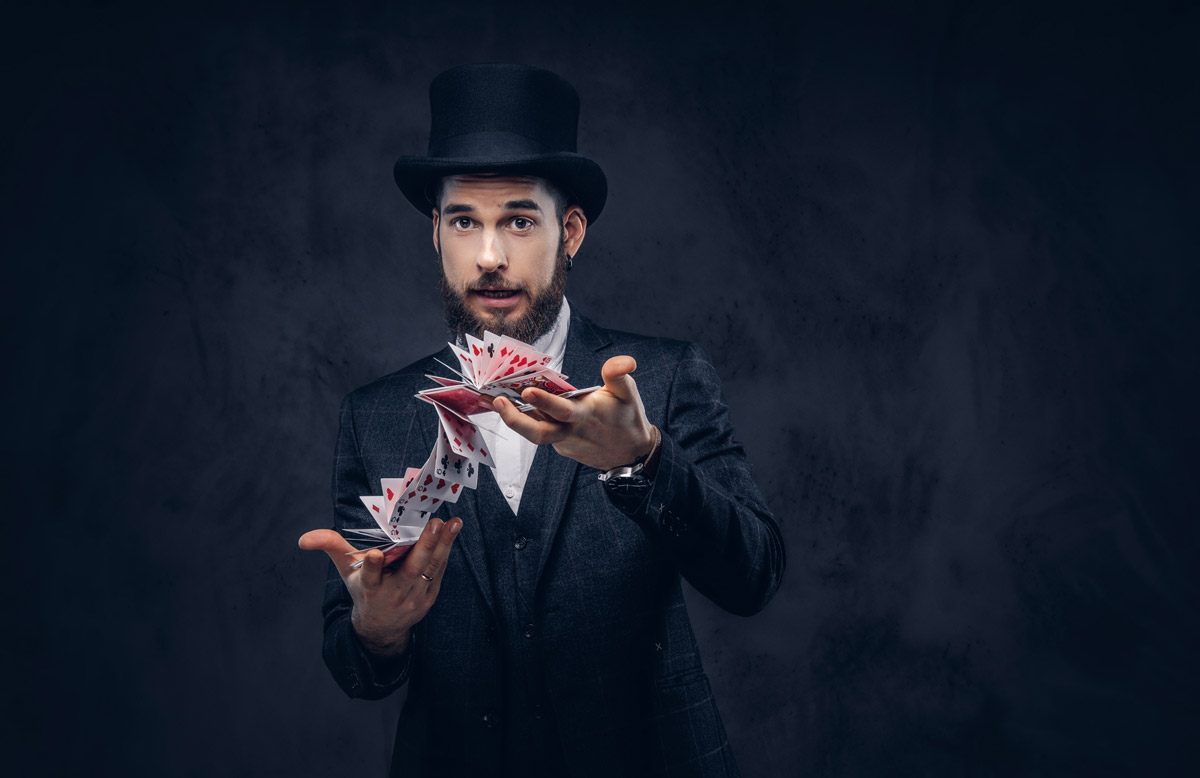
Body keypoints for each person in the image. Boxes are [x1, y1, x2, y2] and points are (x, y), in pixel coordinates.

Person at [299, 63, 785, 778]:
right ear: (436, 233)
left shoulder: (664, 379)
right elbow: (356, 666)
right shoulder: (372, 418)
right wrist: (377, 631)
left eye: (519, 221)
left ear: (573, 232)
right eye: (466, 220)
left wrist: (646, 460)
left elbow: (754, 577)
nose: (490, 256)